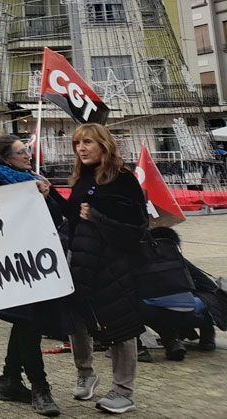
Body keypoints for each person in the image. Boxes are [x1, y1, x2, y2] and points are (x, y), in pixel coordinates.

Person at [0, 135, 64, 416]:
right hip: (10, 267)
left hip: (36, 263)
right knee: (29, 322)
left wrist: (45, 199)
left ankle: (9, 381)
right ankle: (40, 388)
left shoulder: (34, 179)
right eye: (22, 152)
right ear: (5, 158)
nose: (28, 155)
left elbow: (57, 218)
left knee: (27, 322)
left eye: (27, 151)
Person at [58, 123, 148, 414]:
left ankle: (124, 390)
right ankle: (85, 373)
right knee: (77, 320)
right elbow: (73, 218)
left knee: (120, 324)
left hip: (112, 265)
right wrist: (49, 195)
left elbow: (137, 228)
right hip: (80, 261)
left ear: (104, 145)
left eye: (87, 142)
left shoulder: (123, 179)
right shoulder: (82, 178)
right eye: (77, 144)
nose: (81, 148)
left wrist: (97, 217)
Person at [137, 226, 225, 361]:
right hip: (189, 313)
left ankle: (171, 341)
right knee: (202, 299)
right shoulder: (179, 261)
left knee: (136, 305)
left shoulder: (139, 262)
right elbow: (209, 286)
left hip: (156, 315)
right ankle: (205, 330)